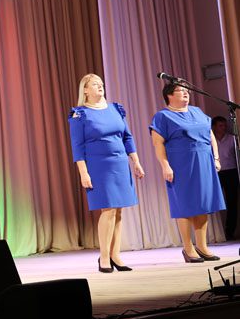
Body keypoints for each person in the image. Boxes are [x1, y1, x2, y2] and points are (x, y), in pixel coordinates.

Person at [68, 74, 145, 273]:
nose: (100, 86)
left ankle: (115, 255)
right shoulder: (80, 114)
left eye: (101, 83)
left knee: (118, 211)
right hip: (98, 166)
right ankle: (103, 257)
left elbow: (127, 137)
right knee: (108, 209)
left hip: (119, 163)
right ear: (85, 90)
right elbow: (77, 147)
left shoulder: (115, 109)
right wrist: (83, 173)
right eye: (95, 84)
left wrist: (135, 162)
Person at [150, 82, 225, 262]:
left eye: (186, 90)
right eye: (180, 91)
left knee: (203, 204)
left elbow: (210, 135)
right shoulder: (163, 116)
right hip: (180, 163)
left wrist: (216, 158)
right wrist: (165, 165)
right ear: (169, 95)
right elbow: (157, 143)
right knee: (184, 205)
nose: (185, 93)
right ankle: (188, 248)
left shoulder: (197, 111)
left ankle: (202, 246)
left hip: (204, 161)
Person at [212, 115, 238, 240]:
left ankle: (230, 232)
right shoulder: (210, 140)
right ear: (214, 127)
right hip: (216, 173)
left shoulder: (232, 139)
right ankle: (215, 232)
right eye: (220, 126)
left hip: (232, 172)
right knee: (214, 202)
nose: (224, 128)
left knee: (232, 203)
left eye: (224, 125)